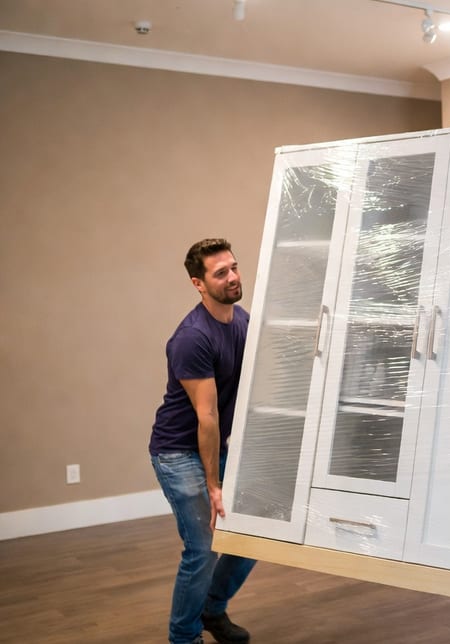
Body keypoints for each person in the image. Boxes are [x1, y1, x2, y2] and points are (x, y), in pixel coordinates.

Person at [150, 238, 257, 644]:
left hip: (218, 445)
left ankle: (212, 610)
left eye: (233, 267)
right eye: (220, 273)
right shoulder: (192, 337)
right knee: (203, 547)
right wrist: (214, 485)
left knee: (251, 535)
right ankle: (184, 635)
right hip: (178, 451)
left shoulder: (242, 321)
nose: (232, 277)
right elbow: (206, 416)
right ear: (198, 283)